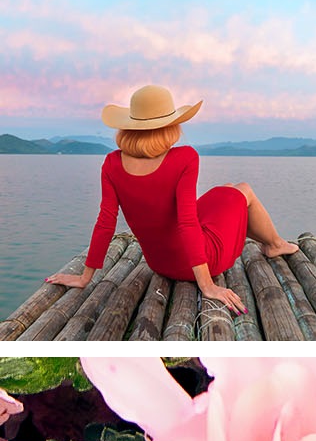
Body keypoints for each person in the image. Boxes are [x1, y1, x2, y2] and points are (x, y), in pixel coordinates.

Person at [46, 85, 298, 316]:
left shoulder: (112, 163)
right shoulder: (184, 158)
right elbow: (187, 223)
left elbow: (105, 222)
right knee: (243, 190)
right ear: (170, 125)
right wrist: (207, 286)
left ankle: (271, 240)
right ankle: (275, 244)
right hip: (201, 262)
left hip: (159, 262)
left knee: (227, 189)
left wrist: (84, 277)